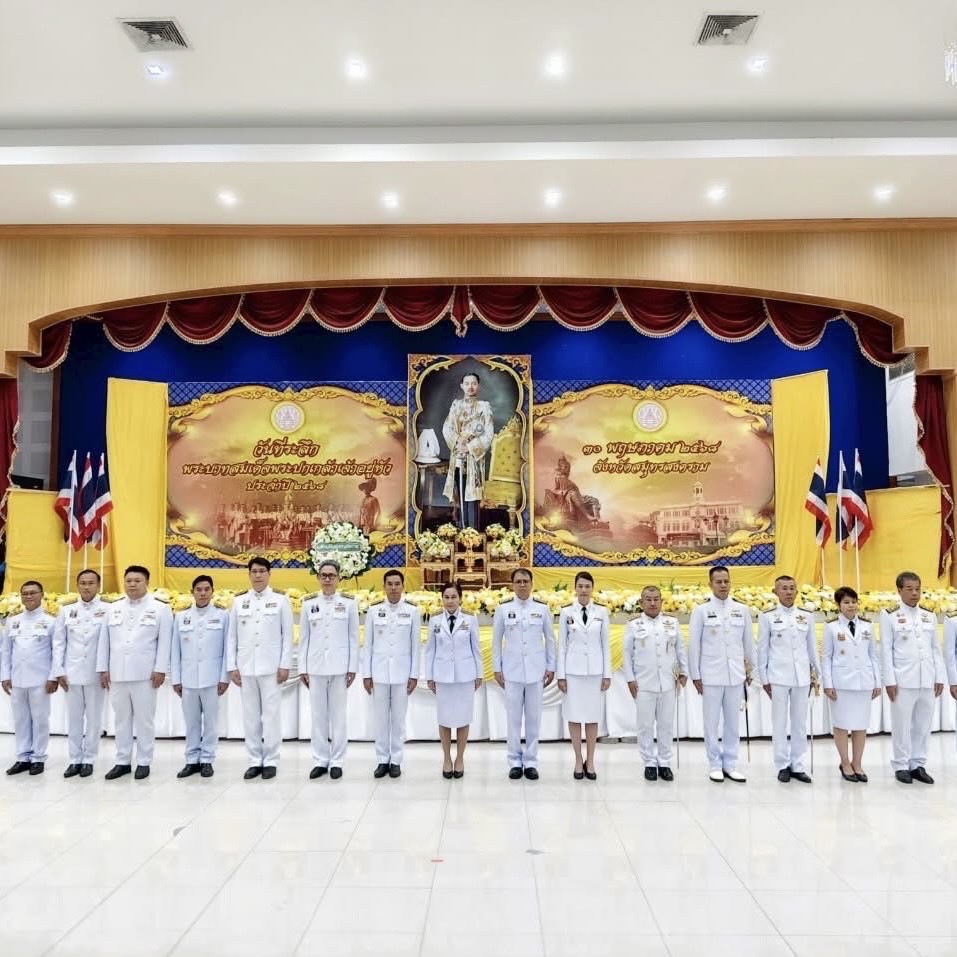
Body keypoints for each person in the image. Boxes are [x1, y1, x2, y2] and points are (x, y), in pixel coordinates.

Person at [97, 565, 173, 780]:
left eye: (137, 581)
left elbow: (165, 642)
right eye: (128, 581)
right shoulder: (113, 608)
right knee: (121, 719)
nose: (132, 585)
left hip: (145, 674)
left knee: (144, 720)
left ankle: (144, 761)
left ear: (147, 582)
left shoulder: (160, 609)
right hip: (118, 673)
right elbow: (105, 641)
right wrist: (103, 668)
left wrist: (160, 669)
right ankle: (122, 761)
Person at [227, 557, 293, 780]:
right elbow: (232, 637)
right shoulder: (239, 601)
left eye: (262, 571)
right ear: (249, 574)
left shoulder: (281, 600)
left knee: (271, 716)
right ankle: (254, 760)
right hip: (246, 667)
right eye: (254, 571)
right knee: (250, 717)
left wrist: (285, 664)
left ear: (269, 574)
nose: (258, 575)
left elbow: (287, 636)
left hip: (271, 667)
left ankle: (271, 760)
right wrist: (232, 666)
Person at [688, 565, 756, 784]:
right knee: (711, 722)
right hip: (710, 674)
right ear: (710, 584)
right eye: (718, 582)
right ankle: (715, 764)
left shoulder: (741, 609)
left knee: (733, 722)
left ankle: (730, 764)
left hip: (735, 674)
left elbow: (748, 643)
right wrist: (695, 675)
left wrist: (750, 669)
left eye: (726, 581)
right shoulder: (701, 611)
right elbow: (694, 645)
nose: (723, 585)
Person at [879, 571, 945, 784]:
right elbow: (886, 650)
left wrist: (939, 676)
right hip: (903, 680)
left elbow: (935, 649)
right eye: (909, 589)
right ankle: (901, 765)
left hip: (927, 678)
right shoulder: (889, 615)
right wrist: (889, 681)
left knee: (923, 724)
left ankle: (918, 764)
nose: (915, 593)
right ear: (899, 590)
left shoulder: (929, 615)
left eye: (917, 589)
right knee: (901, 724)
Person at [492, 568, 556, 781]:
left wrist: (551, 666)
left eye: (525, 581)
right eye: (518, 581)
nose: (522, 585)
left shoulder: (542, 609)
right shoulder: (503, 609)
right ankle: (514, 761)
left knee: (533, 718)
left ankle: (531, 761)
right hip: (511, 671)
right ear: (512, 585)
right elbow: (496, 641)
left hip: (536, 671)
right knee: (513, 719)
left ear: (531, 583)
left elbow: (550, 640)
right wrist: (497, 668)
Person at [300, 560, 359, 780]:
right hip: (315, 667)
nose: (327, 579)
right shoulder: (308, 604)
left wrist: (352, 667)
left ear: (339, 578)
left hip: (340, 667)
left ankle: (337, 761)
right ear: (318, 577)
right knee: (318, 716)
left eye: (331, 575)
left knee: (338, 716)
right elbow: (304, 639)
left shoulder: (349, 604)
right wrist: (303, 668)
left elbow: (353, 638)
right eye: (323, 575)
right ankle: (320, 759)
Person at [757, 574, 820, 784]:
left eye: (792, 588)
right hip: (778, 676)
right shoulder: (767, 616)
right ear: (775, 592)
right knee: (779, 722)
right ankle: (782, 764)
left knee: (800, 723)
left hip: (802, 676)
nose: (788, 592)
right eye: (784, 588)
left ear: (797, 591)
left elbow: (811, 646)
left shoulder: (806, 615)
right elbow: (762, 649)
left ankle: (798, 764)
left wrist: (817, 672)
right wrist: (764, 678)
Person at [623, 584, 687, 782]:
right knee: (645, 725)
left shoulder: (671, 622)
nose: (652, 603)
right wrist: (630, 678)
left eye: (656, 599)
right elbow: (627, 653)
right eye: (648, 600)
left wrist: (684, 672)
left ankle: (665, 762)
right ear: (641, 602)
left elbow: (680, 649)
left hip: (668, 682)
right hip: (644, 683)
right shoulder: (633, 624)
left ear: (661, 601)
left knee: (666, 725)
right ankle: (649, 762)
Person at [363, 569, 421, 778]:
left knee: (398, 719)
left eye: (397, 584)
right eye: (390, 584)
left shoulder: (412, 611)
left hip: (402, 674)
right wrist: (367, 674)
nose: (394, 588)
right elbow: (368, 645)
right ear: (384, 586)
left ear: (403, 586)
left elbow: (415, 646)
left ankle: (396, 759)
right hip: (378, 673)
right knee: (380, 719)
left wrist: (414, 675)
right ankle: (382, 759)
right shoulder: (373, 610)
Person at [52, 569, 109, 778]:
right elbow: (59, 643)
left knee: (94, 718)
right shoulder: (66, 610)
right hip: (71, 673)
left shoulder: (108, 609)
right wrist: (59, 670)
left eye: (91, 583)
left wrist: (106, 669)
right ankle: (74, 759)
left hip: (96, 672)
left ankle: (89, 759)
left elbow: (109, 643)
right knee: (74, 718)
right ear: (77, 585)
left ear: (98, 586)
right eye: (83, 583)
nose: (86, 587)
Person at [171, 574, 230, 779]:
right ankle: (191, 760)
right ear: (192, 592)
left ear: (212, 592)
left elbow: (227, 649)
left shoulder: (223, 616)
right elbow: (175, 651)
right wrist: (176, 679)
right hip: (188, 679)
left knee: (211, 723)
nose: (203, 593)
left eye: (207, 589)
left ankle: (207, 760)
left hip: (212, 679)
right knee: (191, 722)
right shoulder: (181, 617)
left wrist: (224, 677)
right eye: (199, 589)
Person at [821, 585, 881, 783]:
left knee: (860, 725)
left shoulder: (867, 625)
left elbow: (873, 655)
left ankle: (857, 763)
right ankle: (845, 762)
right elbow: (826, 657)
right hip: (841, 683)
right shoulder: (831, 627)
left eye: (854, 602)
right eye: (846, 602)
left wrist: (877, 681)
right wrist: (828, 683)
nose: (851, 605)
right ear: (838, 605)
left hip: (864, 682)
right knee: (841, 724)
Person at [424, 582, 482, 778]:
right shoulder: (435, 620)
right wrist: (429, 676)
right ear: (442, 599)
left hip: (465, 676)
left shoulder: (470, 619)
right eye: (446, 597)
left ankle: (460, 758)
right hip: (442, 676)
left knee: (464, 718)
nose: (450, 601)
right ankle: (447, 758)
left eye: (453, 597)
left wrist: (479, 674)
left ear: (460, 598)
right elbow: (430, 650)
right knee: (445, 718)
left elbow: (476, 648)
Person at [557, 571, 611, 780]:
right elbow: (562, 646)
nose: (584, 590)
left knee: (592, 717)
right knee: (574, 716)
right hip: (573, 672)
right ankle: (578, 759)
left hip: (595, 672)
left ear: (592, 588)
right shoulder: (566, 612)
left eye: (587, 586)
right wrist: (561, 675)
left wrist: (607, 674)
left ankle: (591, 760)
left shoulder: (602, 612)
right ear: (575, 587)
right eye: (580, 586)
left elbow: (605, 644)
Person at [2, 581, 57, 775]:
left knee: (40, 719)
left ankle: (38, 758)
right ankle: (22, 757)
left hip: (40, 679)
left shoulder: (51, 621)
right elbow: (6, 651)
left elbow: (56, 652)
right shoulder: (13, 621)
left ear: (42, 594)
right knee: (21, 719)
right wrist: (5, 675)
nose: (29, 596)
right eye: (25, 593)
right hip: (17, 679)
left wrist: (53, 677)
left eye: (33, 593)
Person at [442, 371, 494, 530]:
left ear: (478, 386)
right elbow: (447, 428)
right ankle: (462, 528)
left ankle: (474, 531)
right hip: (458, 454)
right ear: (462, 386)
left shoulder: (484, 407)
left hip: (474, 457)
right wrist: (458, 443)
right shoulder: (456, 406)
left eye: (473, 383)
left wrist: (470, 447)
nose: (470, 386)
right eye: (467, 383)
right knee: (460, 491)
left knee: (473, 494)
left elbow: (488, 433)